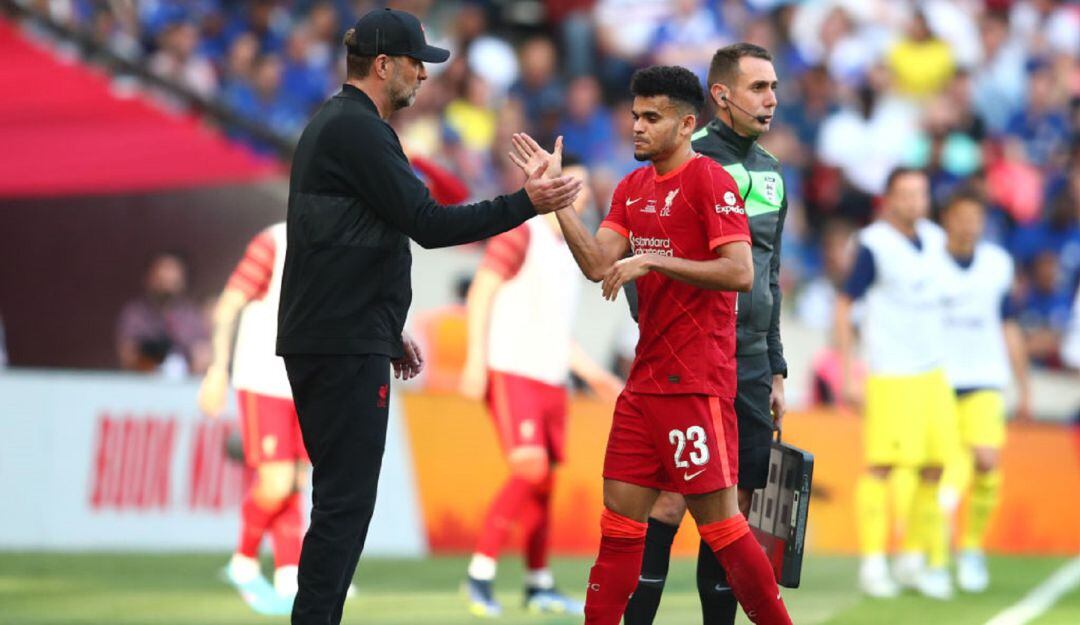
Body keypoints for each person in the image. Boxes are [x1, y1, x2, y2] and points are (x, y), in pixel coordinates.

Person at [274, 9, 582, 625]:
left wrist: (387, 329)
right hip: (340, 343)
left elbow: (354, 239)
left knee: (341, 500)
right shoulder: (359, 131)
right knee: (344, 503)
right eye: (416, 62)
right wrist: (528, 201)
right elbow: (430, 225)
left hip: (340, 334)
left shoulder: (342, 126)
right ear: (384, 65)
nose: (423, 75)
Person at [509, 65, 792, 625]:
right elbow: (597, 264)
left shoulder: (711, 181)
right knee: (618, 530)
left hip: (698, 384)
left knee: (724, 530)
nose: (637, 126)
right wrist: (555, 199)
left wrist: (654, 258)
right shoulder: (632, 188)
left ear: (687, 124)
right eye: (635, 115)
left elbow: (740, 272)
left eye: (651, 117)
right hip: (643, 388)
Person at [622, 43, 790, 625]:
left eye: (772, 87)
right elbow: (640, 256)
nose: (771, 98)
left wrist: (776, 366)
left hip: (748, 367)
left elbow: (767, 274)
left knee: (734, 509)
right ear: (720, 96)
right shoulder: (686, 163)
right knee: (669, 502)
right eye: (758, 87)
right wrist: (662, 329)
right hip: (691, 360)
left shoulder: (770, 172)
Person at [459, 157, 623, 617]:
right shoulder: (522, 233)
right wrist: (475, 360)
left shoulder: (568, 253)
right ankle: (479, 574)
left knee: (545, 484)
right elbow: (481, 291)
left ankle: (537, 584)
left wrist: (594, 375)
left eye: (588, 186)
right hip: (513, 370)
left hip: (551, 378)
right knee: (529, 470)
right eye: (579, 183)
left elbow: (557, 332)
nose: (586, 193)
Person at [835, 167, 958, 600]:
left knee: (935, 466)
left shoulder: (936, 239)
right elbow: (846, 302)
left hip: (934, 370)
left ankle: (913, 557)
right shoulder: (873, 244)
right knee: (883, 466)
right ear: (888, 198)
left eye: (920, 192)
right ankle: (873, 562)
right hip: (891, 371)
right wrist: (850, 372)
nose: (914, 200)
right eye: (905, 193)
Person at [197, 223, 306, 616]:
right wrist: (216, 370)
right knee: (277, 481)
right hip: (265, 377)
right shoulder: (275, 241)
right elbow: (229, 304)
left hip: (310, 383)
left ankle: (290, 576)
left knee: (295, 481)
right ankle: (243, 561)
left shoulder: (337, 237)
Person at [934, 192, 1030, 593]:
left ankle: (971, 547)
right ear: (947, 220)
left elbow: (1008, 322)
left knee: (987, 462)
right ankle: (935, 558)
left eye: (976, 217)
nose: (969, 225)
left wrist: (1023, 384)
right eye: (961, 217)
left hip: (986, 376)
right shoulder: (928, 262)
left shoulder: (997, 265)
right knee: (939, 471)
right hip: (938, 378)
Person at [116, 251, 210, 378]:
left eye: (172, 278)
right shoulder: (135, 314)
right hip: (144, 384)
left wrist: (184, 372)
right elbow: (128, 355)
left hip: (184, 386)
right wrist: (152, 366)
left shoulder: (191, 316)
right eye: (161, 278)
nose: (166, 281)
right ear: (149, 278)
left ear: (182, 281)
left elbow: (203, 356)